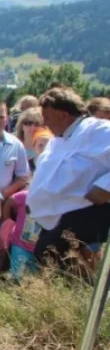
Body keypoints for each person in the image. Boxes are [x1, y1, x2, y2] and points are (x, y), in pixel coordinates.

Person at [28, 88, 110, 268]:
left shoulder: (98, 129)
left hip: (85, 215)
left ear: (64, 115)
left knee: (65, 269)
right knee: (47, 266)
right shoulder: (59, 139)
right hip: (56, 220)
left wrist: (105, 187)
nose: (44, 122)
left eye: (47, 116)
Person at [0, 188, 37, 280]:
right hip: (20, 244)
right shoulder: (26, 195)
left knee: (33, 279)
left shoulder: (53, 200)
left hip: (38, 247)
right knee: (16, 276)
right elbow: (9, 201)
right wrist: (7, 221)